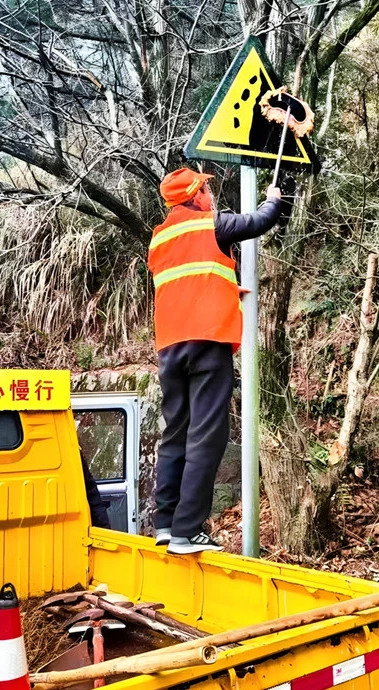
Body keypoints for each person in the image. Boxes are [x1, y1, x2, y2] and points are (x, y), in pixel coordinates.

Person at [148, 167, 282, 554]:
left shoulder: (159, 238)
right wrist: (273, 199)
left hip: (170, 348)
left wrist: (226, 290)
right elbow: (258, 221)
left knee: (176, 433)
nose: (211, 195)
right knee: (207, 434)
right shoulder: (211, 223)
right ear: (195, 196)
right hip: (208, 342)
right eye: (206, 189)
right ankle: (188, 531)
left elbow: (188, 281)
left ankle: (166, 523)